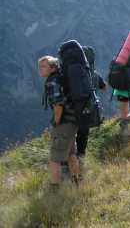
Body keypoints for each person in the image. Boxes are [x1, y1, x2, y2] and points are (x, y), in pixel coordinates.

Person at [39, 55, 80, 190]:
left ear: (52, 68)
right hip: (73, 121)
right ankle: (76, 184)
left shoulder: (53, 82)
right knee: (70, 154)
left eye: (43, 66)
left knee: (55, 158)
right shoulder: (62, 78)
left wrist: (54, 125)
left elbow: (58, 106)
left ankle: (54, 191)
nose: (40, 69)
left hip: (63, 123)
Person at [75, 46, 107, 159]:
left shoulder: (74, 73)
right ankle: (81, 155)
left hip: (74, 107)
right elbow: (104, 87)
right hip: (89, 108)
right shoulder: (94, 74)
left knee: (73, 130)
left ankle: (70, 158)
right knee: (84, 132)